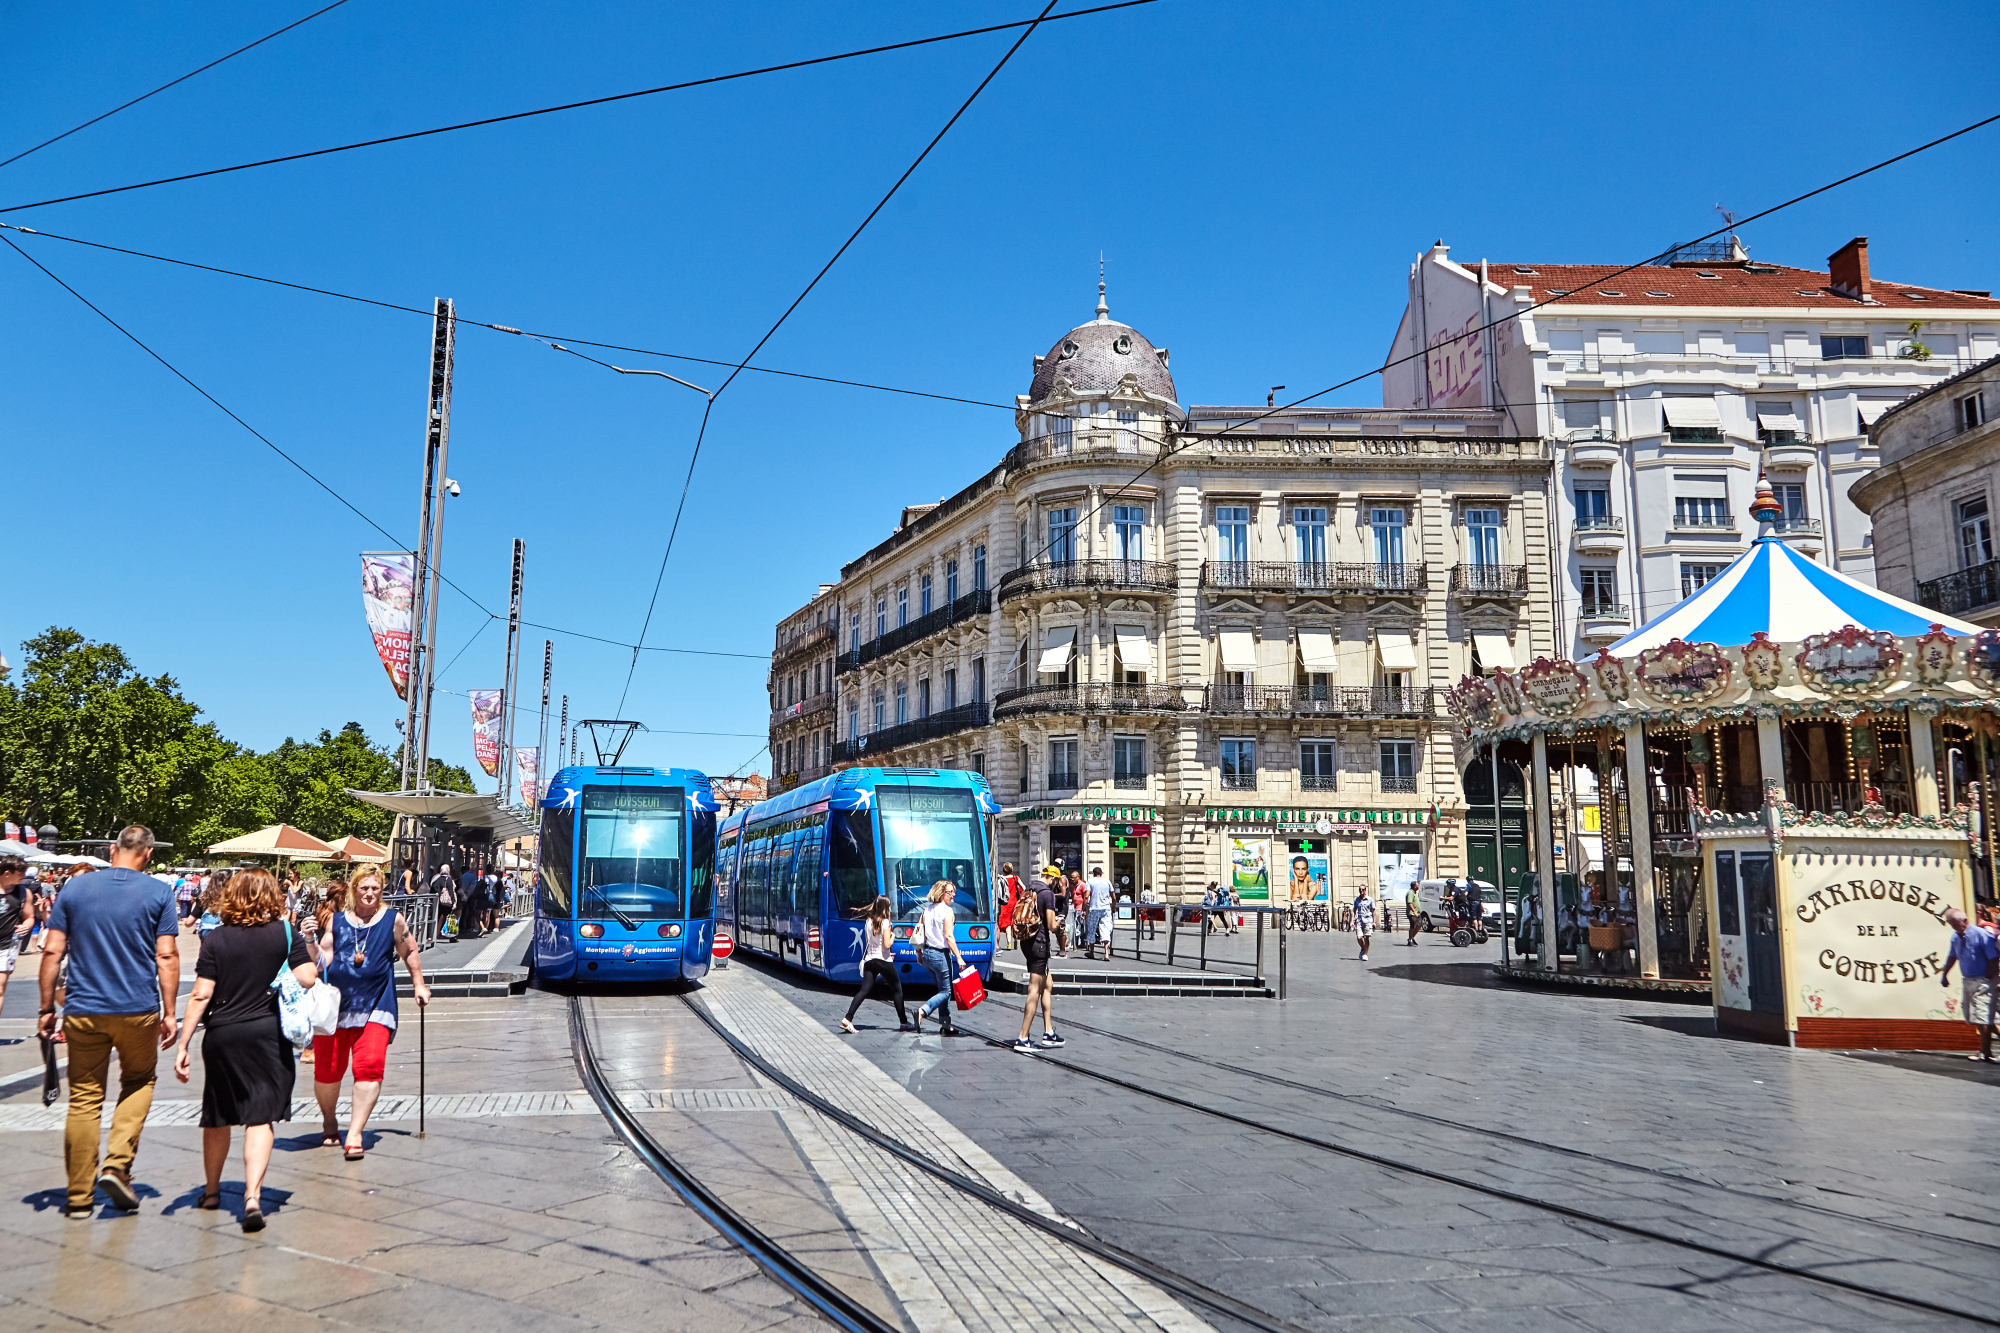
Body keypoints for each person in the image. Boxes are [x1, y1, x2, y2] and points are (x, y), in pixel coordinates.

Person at [37, 826, 181, 1218]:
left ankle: (79, 1197)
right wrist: (170, 1013)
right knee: (139, 1081)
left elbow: (52, 951)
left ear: (113, 849)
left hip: (83, 1008)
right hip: (137, 1008)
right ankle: (118, 1164)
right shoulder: (158, 892)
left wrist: (46, 1007)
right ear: (148, 855)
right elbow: (166, 956)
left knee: (84, 1099)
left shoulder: (75, 889)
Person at [172, 870, 318, 1230]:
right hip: (268, 1034)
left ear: (233, 895)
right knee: (260, 1115)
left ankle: (210, 1191)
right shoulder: (285, 933)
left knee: (218, 1114)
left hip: (223, 1034)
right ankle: (252, 1197)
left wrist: (183, 1042)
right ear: (272, 895)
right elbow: (309, 977)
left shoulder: (217, 939)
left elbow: (201, 994)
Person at [314, 868, 432, 1158]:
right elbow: (323, 957)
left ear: (382, 890)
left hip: (377, 1004)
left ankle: (354, 1133)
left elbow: (409, 950)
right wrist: (308, 943)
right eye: (364, 888)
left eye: (375, 888)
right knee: (328, 1071)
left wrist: (419, 985)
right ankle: (330, 1120)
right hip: (336, 1007)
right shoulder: (337, 921)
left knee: (369, 1066)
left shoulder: (393, 920)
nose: (370, 893)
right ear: (354, 890)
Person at [840, 896, 911, 1033]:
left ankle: (848, 1018)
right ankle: (904, 1022)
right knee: (897, 990)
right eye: (889, 906)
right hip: (883, 961)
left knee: (864, 990)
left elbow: (868, 943)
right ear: (886, 907)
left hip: (870, 960)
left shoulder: (868, 922)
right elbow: (886, 944)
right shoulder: (886, 923)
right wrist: (893, 936)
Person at [1014, 867, 1066, 1051]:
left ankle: (1049, 1032)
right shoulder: (1047, 894)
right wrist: (1060, 921)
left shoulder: (1030, 889)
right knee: (1034, 991)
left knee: (1048, 984)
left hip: (1027, 943)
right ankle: (1023, 1038)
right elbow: (1051, 925)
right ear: (1053, 879)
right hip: (1040, 944)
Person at [1940, 907, 1999, 1061]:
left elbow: (1993, 957)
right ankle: (1985, 1050)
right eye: (1951, 924)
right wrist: (1945, 974)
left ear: (1965, 921)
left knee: (1982, 1015)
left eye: (1955, 923)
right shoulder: (1956, 936)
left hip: (1983, 979)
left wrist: (1989, 977)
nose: (1953, 927)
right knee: (1974, 1015)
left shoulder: (1981, 935)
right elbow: (1952, 956)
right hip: (1968, 980)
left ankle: (1985, 1051)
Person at [914, 881, 966, 1036]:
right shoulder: (947, 911)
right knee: (946, 991)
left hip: (928, 955)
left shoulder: (927, 909)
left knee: (943, 990)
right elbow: (949, 936)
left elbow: (918, 932)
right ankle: (923, 1011)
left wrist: (919, 953)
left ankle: (945, 1025)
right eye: (950, 892)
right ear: (942, 893)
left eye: (954, 891)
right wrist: (959, 957)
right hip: (940, 955)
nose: (953, 895)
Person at [0, 855, 30, 1010]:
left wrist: (27, 924)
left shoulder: (23, 892)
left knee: (0, 989)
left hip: (6, 946)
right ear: (7, 873)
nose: (23, 877)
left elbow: (29, 916)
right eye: (20, 874)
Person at [1083, 866, 1114, 961]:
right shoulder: (1107, 881)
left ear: (1093, 873)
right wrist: (1114, 906)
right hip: (1106, 908)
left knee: (1092, 929)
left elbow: (1086, 896)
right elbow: (1113, 895)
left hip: (1094, 908)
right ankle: (1106, 953)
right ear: (1101, 873)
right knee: (1105, 929)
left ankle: (1092, 952)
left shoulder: (1090, 881)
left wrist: (1083, 909)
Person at [996, 863, 1024, 952]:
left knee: (1007, 923)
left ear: (1004, 870)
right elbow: (1024, 887)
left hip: (1005, 903)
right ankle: (1016, 940)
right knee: (1014, 922)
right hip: (1014, 902)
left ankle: (1009, 942)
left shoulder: (1001, 878)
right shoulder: (1015, 878)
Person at [1352, 884, 1376, 962]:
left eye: (1363, 889)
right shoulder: (1357, 900)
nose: (1361, 891)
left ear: (1365, 890)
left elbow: (1373, 911)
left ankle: (1365, 954)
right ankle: (1363, 948)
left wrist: (1374, 921)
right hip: (1359, 920)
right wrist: (1352, 920)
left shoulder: (1370, 900)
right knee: (1359, 937)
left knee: (1366, 937)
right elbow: (1354, 910)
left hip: (1368, 920)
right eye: (1360, 890)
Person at [1405, 881, 1422, 946]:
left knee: (1419, 925)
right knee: (1413, 926)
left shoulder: (1414, 892)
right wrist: (1414, 911)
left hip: (1417, 913)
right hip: (1412, 913)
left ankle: (1412, 938)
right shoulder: (1410, 893)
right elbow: (1410, 903)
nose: (1419, 886)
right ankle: (1410, 940)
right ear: (1414, 886)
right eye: (1418, 885)